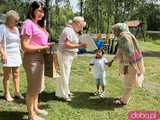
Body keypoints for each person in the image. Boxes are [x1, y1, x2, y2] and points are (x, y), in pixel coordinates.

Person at [21, 1, 52, 120]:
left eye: (43, 11)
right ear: (32, 10)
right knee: (32, 88)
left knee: (37, 86)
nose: (42, 13)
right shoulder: (28, 23)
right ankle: (31, 115)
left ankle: (35, 108)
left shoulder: (37, 24)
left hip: (40, 57)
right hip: (32, 58)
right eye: (39, 10)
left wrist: (47, 45)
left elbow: (38, 42)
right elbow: (25, 46)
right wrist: (42, 47)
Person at [110, 23, 145, 106]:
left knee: (129, 83)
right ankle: (123, 97)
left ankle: (124, 101)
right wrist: (112, 60)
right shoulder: (125, 36)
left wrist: (126, 66)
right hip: (131, 63)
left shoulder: (124, 37)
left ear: (119, 30)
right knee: (126, 81)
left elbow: (129, 53)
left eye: (114, 31)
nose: (113, 32)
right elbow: (121, 51)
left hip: (131, 64)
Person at [55, 16, 87, 102]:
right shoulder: (68, 30)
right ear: (77, 23)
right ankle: (64, 94)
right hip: (64, 54)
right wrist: (80, 45)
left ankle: (64, 92)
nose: (81, 27)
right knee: (64, 74)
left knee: (65, 74)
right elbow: (66, 45)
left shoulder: (71, 30)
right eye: (81, 25)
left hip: (67, 55)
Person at [0, 10, 24, 101]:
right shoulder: (2, 27)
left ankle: (17, 92)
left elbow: (18, 40)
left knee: (16, 73)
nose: (16, 22)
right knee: (7, 75)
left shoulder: (16, 29)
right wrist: (3, 54)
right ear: (9, 19)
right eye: (15, 20)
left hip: (16, 53)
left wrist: (21, 48)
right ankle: (6, 93)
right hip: (7, 53)